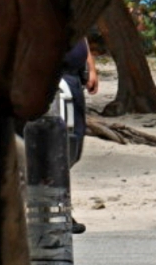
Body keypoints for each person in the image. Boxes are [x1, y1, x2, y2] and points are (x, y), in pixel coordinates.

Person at [61, 37, 99, 234]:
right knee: (53, 149)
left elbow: (81, 32)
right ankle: (57, 210)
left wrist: (90, 68)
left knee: (72, 147)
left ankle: (60, 207)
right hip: (51, 80)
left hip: (73, 80)